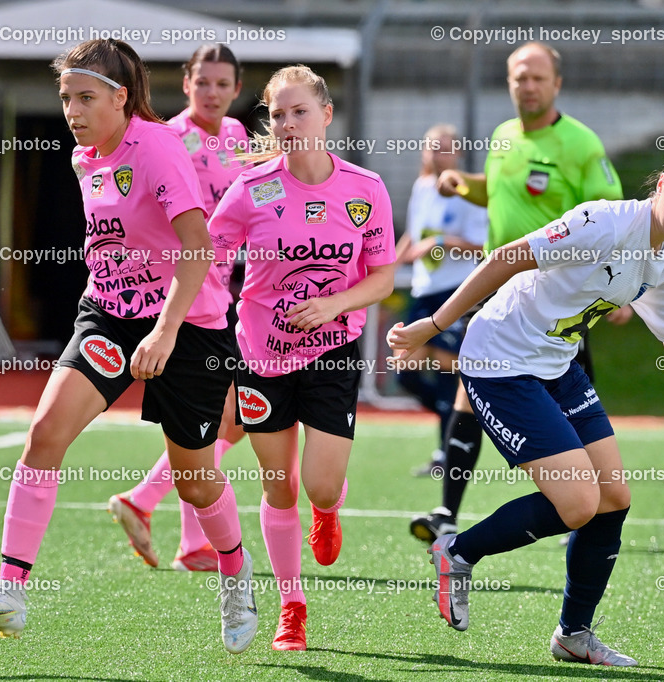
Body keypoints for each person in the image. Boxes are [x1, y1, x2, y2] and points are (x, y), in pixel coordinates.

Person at [0, 39, 259, 655]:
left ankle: (235, 573)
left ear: (121, 97)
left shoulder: (159, 148)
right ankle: (10, 593)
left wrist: (166, 331)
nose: (72, 110)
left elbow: (197, 248)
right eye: (65, 98)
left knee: (195, 482)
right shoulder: (84, 156)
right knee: (44, 434)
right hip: (110, 317)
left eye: (85, 97)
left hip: (189, 323)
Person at [388, 140, 664, 666]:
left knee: (614, 498)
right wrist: (432, 325)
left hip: (557, 366)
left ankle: (573, 634)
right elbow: (508, 257)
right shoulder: (603, 222)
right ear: (661, 184)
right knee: (578, 503)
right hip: (499, 360)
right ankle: (457, 552)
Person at [410, 41, 626, 544]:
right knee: (468, 391)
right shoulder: (504, 137)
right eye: (518, 77)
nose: (527, 86)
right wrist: (463, 184)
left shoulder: (581, 145)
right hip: (495, 295)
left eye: (537, 77)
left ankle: (585, 505)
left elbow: (615, 217)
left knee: (574, 407)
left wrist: (625, 290)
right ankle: (447, 511)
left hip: (556, 305)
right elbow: (501, 189)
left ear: (557, 84)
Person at [212, 65, 397, 651]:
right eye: (278, 115)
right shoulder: (254, 190)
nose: (288, 124)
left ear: (326, 116)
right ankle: (292, 605)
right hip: (261, 356)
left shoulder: (364, 188)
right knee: (279, 488)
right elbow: (209, 257)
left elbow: (384, 276)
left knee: (318, 486)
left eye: (299, 112)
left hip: (332, 353)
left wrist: (332, 304)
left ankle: (331, 508)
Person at [108, 44, 249, 573]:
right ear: (186, 84)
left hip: (226, 292)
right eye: (203, 82)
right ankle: (186, 536)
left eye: (222, 84)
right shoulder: (167, 138)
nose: (212, 92)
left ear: (237, 89)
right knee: (220, 419)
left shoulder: (236, 136)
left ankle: (153, 508)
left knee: (223, 421)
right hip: (188, 296)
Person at [392, 124, 487, 475]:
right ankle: (456, 424)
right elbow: (413, 235)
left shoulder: (467, 192)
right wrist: (389, 261)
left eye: (445, 148)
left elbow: (484, 246)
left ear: (458, 153)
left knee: (448, 371)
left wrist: (443, 243)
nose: (437, 154)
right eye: (432, 147)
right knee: (404, 369)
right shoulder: (421, 187)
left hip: (456, 290)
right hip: (422, 289)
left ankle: (447, 454)